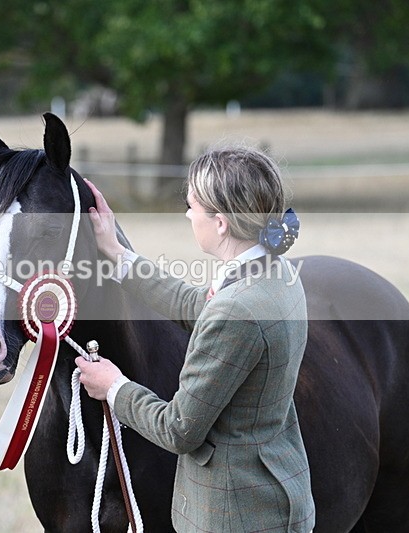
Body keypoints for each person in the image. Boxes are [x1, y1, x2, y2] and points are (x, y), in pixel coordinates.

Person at [76, 147, 315, 532]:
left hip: (236, 514)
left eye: (192, 206)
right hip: (277, 492)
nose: (188, 215)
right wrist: (117, 253)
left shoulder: (236, 310)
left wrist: (114, 387)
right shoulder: (276, 271)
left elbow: (178, 429)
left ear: (220, 222)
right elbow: (198, 306)